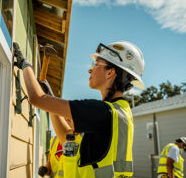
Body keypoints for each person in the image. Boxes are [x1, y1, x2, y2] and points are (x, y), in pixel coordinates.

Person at [13, 40, 145, 177]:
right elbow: (67, 141)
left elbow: (36, 98)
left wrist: (25, 65)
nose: (90, 69)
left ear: (110, 73)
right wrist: (50, 100)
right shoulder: (121, 112)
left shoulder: (103, 112)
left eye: (96, 64)